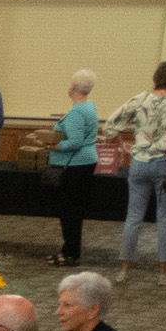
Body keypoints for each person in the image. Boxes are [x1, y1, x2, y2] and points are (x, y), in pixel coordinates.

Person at [105, 61, 166, 274]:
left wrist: (122, 145)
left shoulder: (141, 98)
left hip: (139, 163)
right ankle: (164, 270)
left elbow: (110, 125)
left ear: (155, 77)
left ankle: (124, 267)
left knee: (133, 216)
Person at [39, 70, 104, 269]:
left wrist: (52, 146)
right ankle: (69, 250)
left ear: (73, 88)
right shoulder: (89, 107)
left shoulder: (77, 112)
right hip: (85, 162)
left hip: (74, 165)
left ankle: (70, 253)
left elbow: (74, 142)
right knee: (74, 210)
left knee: (69, 211)